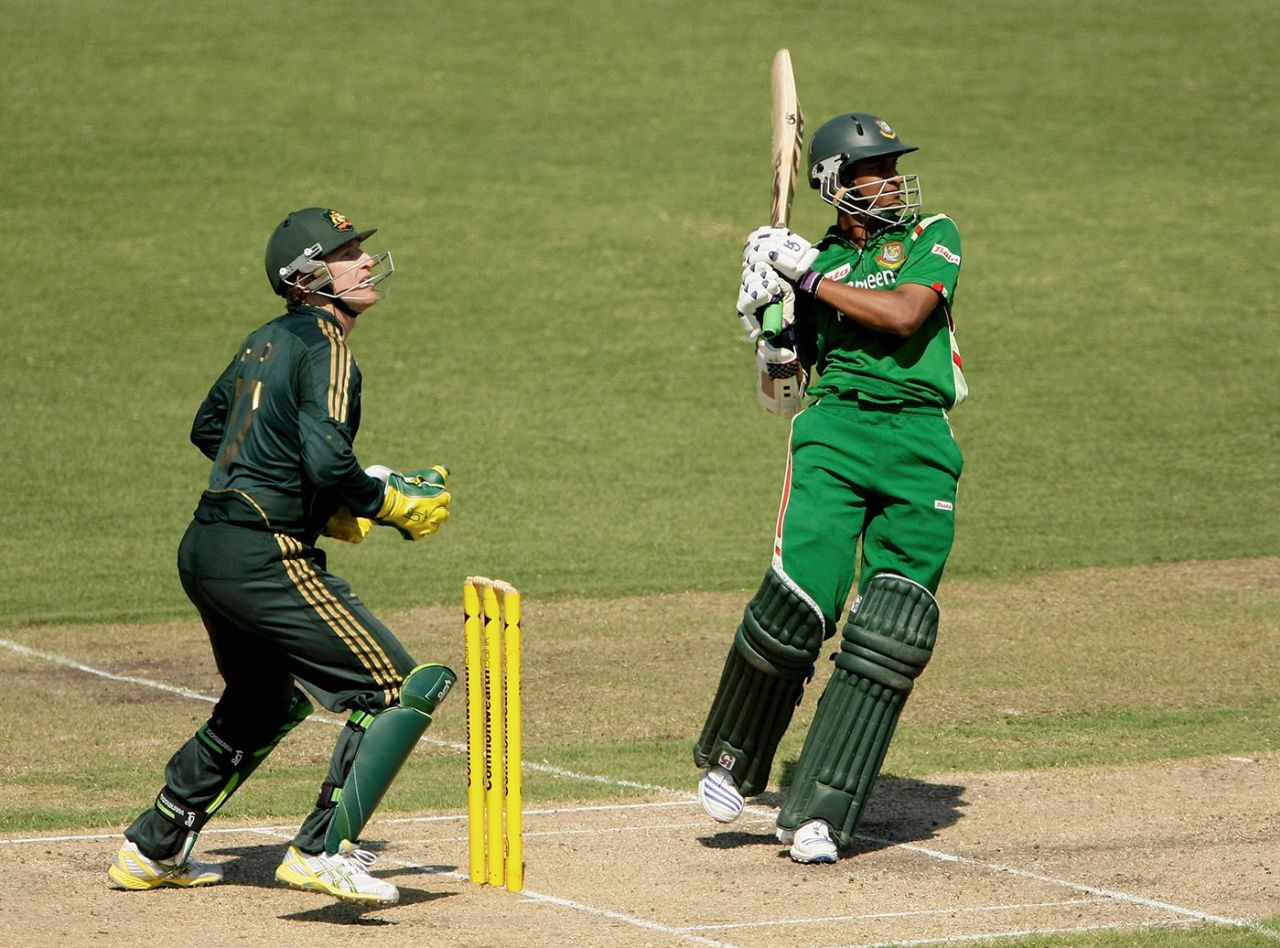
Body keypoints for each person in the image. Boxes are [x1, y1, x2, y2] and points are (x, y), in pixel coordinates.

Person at [107, 207, 456, 904]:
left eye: (359, 249)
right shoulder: (328, 344)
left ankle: (153, 846)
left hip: (207, 546)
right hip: (263, 555)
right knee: (393, 688)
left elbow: (211, 427)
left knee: (263, 702)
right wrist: (380, 505)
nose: (362, 261)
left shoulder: (263, 340)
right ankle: (323, 848)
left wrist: (309, 500)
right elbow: (329, 457)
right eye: (346, 253)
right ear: (308, 276)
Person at [694, 113, 966, 864]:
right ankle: (735, 758)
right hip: (836, 433)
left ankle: (821, 810)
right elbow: (782, 392)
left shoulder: (930, 235)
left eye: (891, 166)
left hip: (920, 440)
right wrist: (771, 327)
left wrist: (807, 278)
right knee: (799, 601)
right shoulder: (806, 258)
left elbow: (908, 314)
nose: (890, 180)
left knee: (891, 632)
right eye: (874, 169)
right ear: (836, 184)